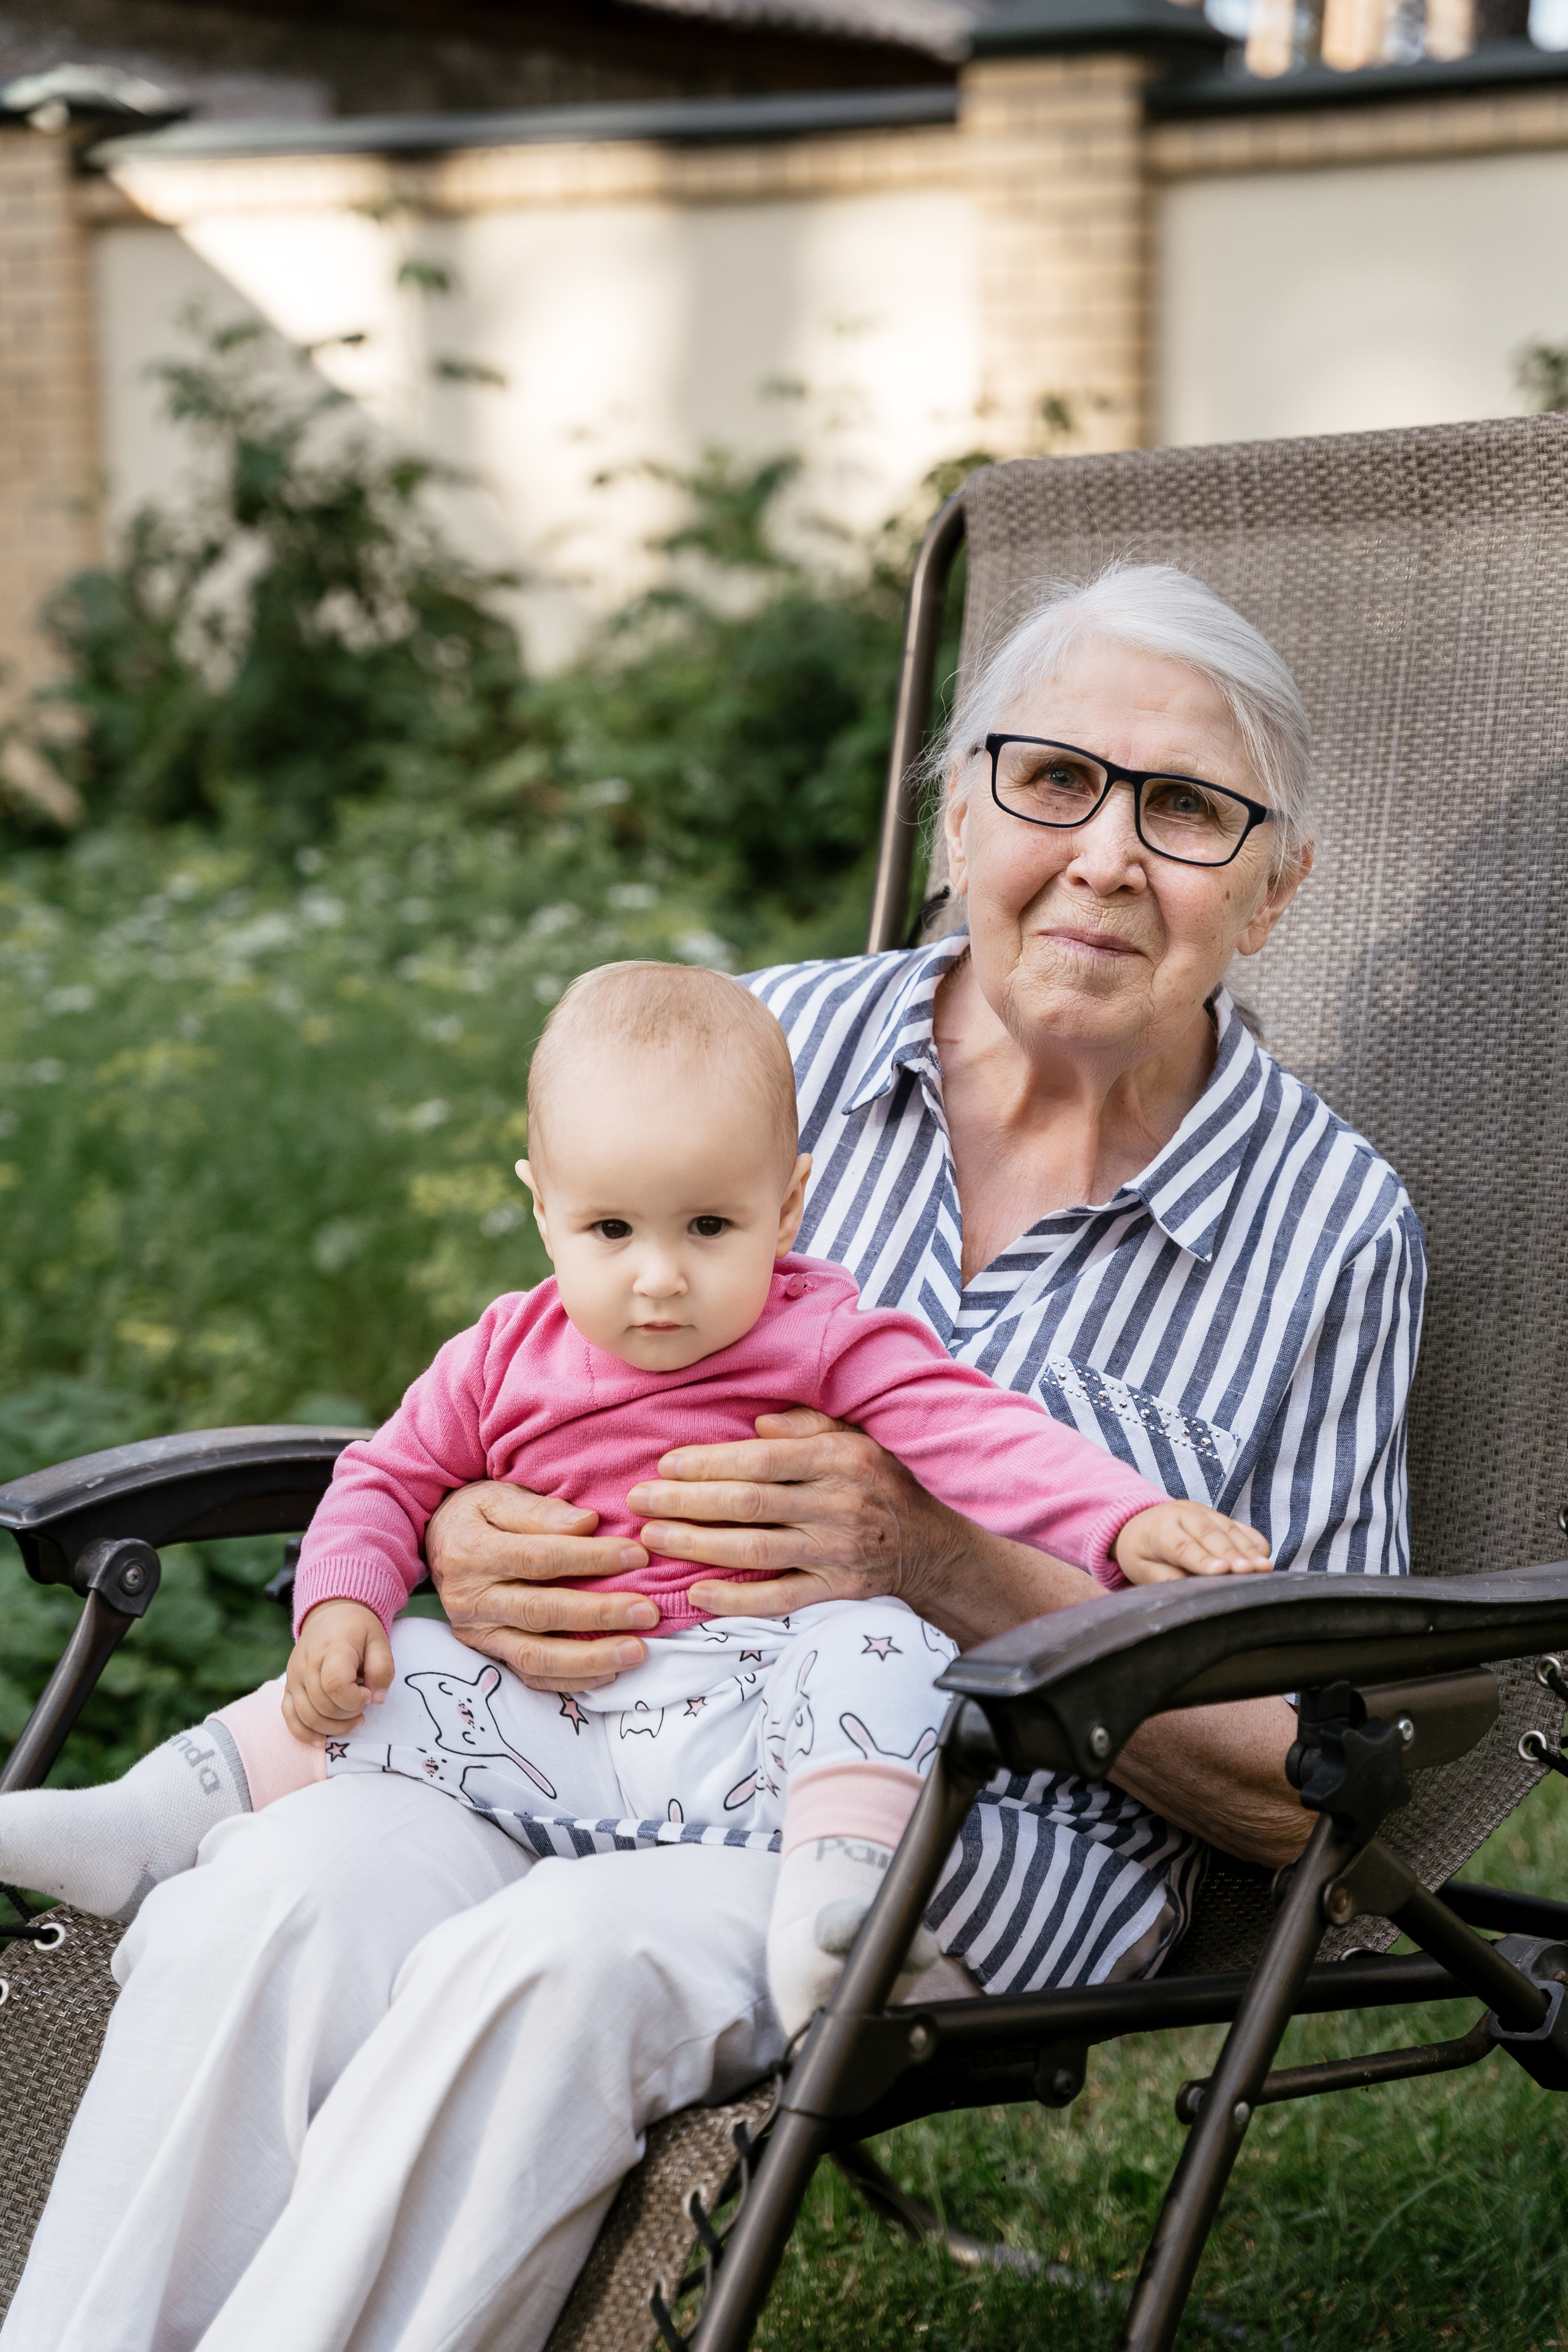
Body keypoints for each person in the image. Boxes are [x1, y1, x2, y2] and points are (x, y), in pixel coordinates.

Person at [2, 564, 1424, 2352]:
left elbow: (1311, 1776)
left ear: (1275, 888)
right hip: (551, 1749)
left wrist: (944, 1564)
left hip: (923, 1847)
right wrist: (461, 1544)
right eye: (1055, 779)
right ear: (957, 815)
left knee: (556, 1966)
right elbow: (514, 1385)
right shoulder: (761, 1042)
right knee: (273, 1898)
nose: (1105, 857)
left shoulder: (1329, 1228)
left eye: (1188, 811)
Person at [0, 963, 1268, 2038]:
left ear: (787, 1207)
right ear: (541, 1209)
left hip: (761, 1727)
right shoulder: (501, 1354)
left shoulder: (823, 1333)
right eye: (611, 1230)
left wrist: (1124, 1523)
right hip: (557, 1720)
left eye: (708, 1227)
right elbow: (382, 1479)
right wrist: (342, 1605)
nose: (658, 1279)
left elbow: (986, 1438)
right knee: (399, 1673)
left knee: (879, 1644)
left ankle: (836, 1903)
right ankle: (144, 1824)